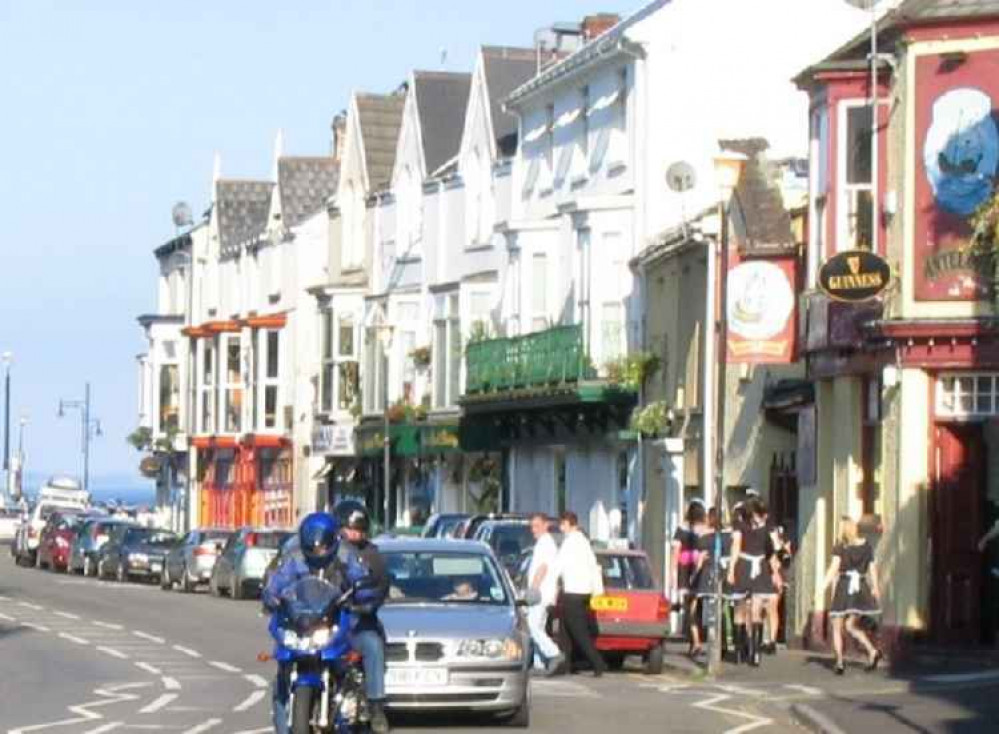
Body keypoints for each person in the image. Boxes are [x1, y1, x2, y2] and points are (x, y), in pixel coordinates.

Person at [263, 512, 375, 734]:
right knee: (281, 673)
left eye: (322, 544)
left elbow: (361, 578)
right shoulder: (294, 558)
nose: (317, 550)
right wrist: (271, 596)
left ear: (332, 540)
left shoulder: (345, 555)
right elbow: (276, 583)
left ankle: (360, 705)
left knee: (355, 658)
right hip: (301, 623)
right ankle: (282, 721)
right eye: (312, 544)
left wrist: (362, 592)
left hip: (333, 620)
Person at [334, 501, 390, 734]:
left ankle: (377, 707)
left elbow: (380, 585)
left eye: (360, 529)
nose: (355, 533)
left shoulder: (372, 555)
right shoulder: (326, 553)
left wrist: (368, 604)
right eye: (350, 528)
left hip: (357, 624)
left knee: (373, 645)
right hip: (326, 624)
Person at [823, 516, 882, 675]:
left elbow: (833, 569)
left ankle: (840, 662)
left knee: (837, 624)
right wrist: (875, 589)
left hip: (845, 586)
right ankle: (872, 651)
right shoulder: (867, 547)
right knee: (850, 625)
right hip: (860, 587)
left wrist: (823, 586)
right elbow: (872, 569)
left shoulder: (840, 547)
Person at [727, 498, 781, 667]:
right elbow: (735, 547)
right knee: (740, 608)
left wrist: (776, 573)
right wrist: (731, 569)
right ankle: (739, 648)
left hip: (761, 566)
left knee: (757, 608)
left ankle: (754, 651)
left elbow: (773, 551)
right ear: (753, 513)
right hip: (744, 565)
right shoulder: (739, 525)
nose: (765, 516)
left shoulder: (768, 525)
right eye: (761, 513)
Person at [555, 511, 607, 677]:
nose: (560, 527)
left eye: (562, 524)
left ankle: (598, 663)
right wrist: (597, 590)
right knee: (566, 631)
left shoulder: (569, 542)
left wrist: (552, 586)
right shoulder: (584, 542)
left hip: (573, 591)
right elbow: (594, 566)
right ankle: (569, 663)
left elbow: (558, 566)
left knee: (578, 631)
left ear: (568, 524)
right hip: (585, 592)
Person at [691, 507, 740, 660]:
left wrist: (694, 574)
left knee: (710, 613)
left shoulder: (703, 538)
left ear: (709, 519)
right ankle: (728, 644)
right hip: (725, 573)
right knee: (727, 610)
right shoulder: (730, 536)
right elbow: (735, 553)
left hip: (708, 575)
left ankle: (713, 645)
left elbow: (699, 559)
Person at [525, 513, 564, 675]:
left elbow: (543, 568)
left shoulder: (545, 543)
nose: (533, 530)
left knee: (533, 627)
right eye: (532, 526)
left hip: (541, 593)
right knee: (538, 627)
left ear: (546, 525)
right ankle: (539, 664)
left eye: (536, 526)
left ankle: (554, 653)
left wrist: (534, 588)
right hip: (543, 592)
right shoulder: (544, 542)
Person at [674, 502, 708, 657]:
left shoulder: (681, 529)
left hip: (684, 570)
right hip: (699, 569)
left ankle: (696, 642)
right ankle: (694, 640)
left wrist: (673, 573)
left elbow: (676, 552)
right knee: (696, 606)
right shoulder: (705, 530)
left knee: (690, 607)